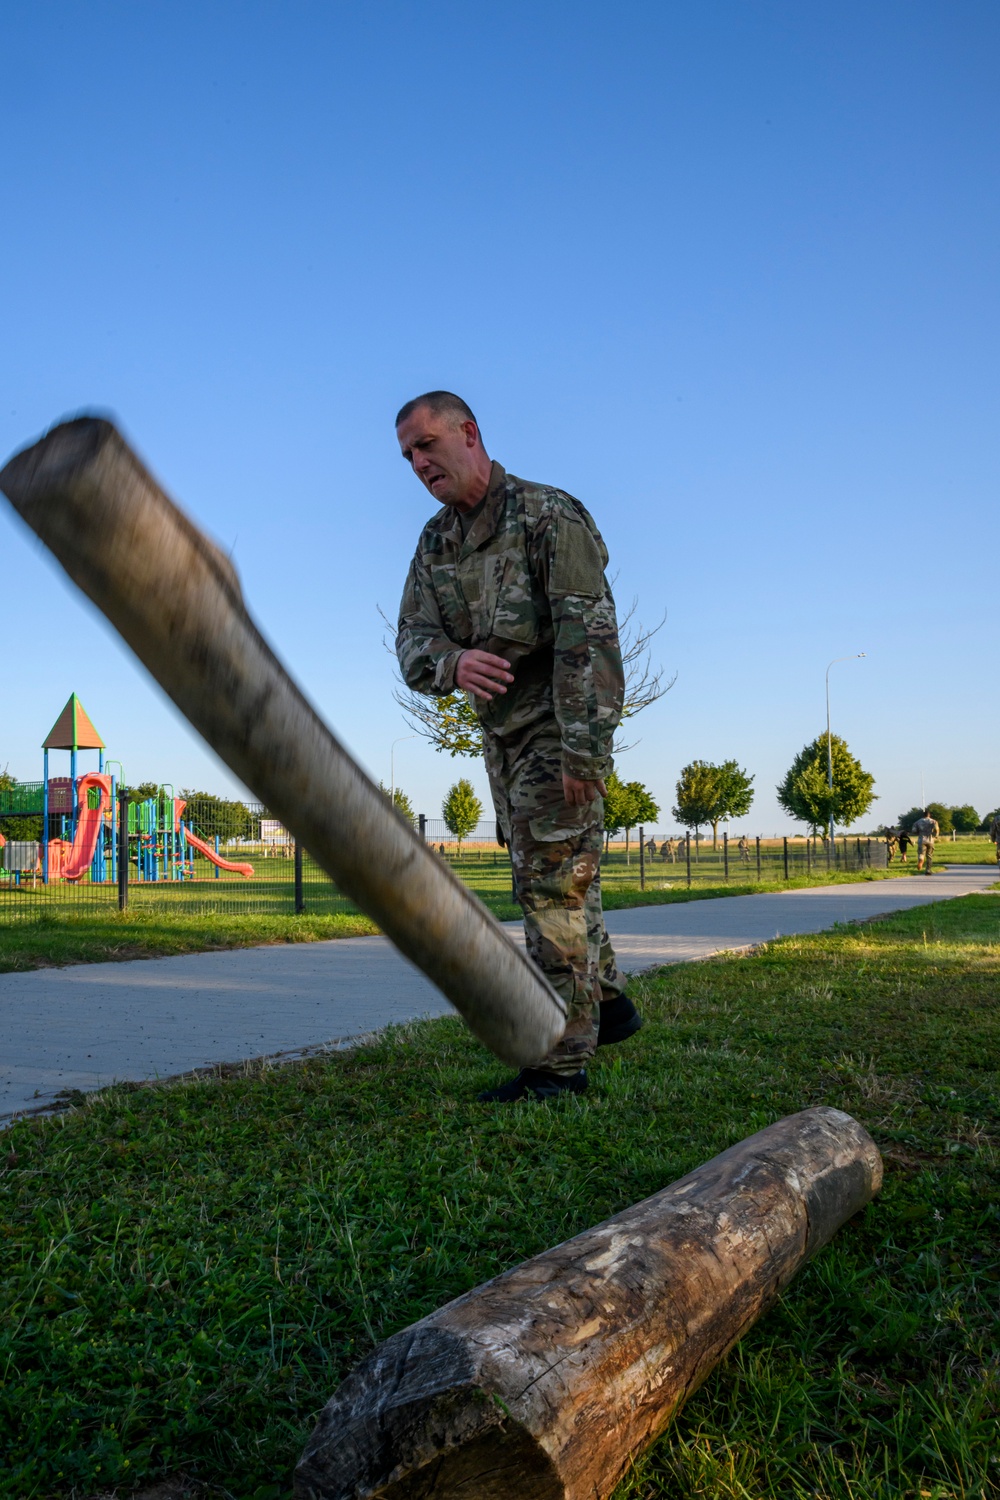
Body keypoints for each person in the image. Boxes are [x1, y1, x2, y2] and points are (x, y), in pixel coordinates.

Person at [395, 392, 639, 1103]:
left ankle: (559, 1065)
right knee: (566, 880)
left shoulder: (548, 516)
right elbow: (411, 643)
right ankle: (612, 1006)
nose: (418, 463)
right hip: (500, 742)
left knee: (550, 890)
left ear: (469, 434)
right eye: (408, 455)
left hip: (558, 733)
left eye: (427, 444)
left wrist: (584, 755)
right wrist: (454, 665)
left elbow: (587, 641)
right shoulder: (435, 543)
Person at [913, 809, 940, 873]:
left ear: (923, 815)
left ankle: (921, 860)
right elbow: (937, 829)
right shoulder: (933, 821)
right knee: (929, 855)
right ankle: (928, 869)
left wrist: (919, 833)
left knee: (921, 853)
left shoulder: (917, 822)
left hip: (921, 840)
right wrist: (936, 836)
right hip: (930, 840)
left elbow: (914, 831)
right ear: (929, 815)